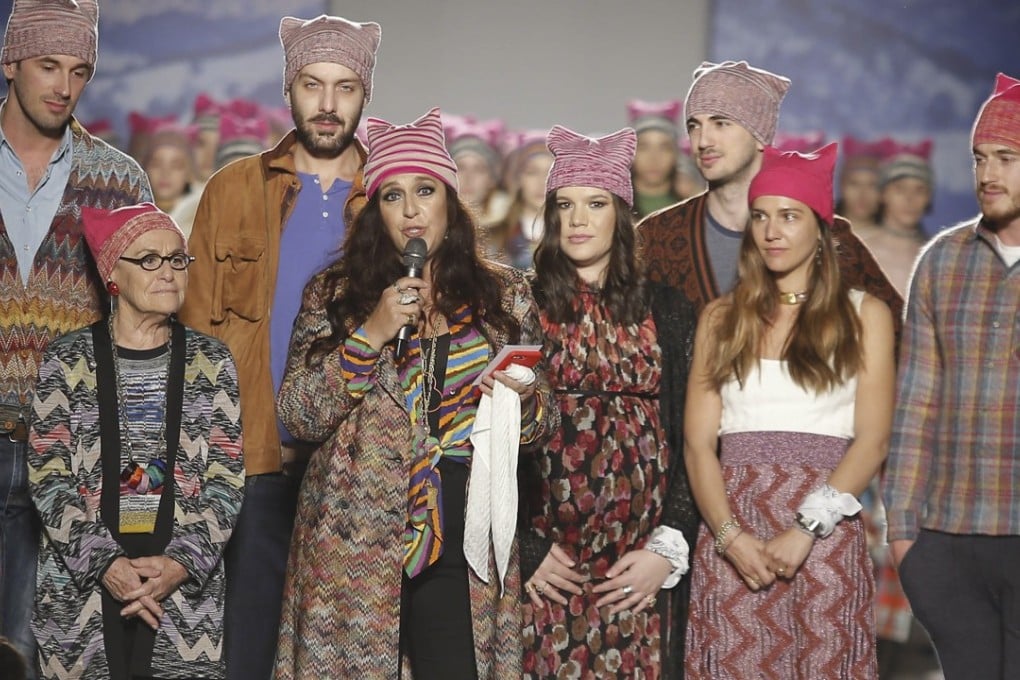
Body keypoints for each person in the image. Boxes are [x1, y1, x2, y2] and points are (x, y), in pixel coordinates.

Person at [273, 107, 555, 679]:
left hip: (464, 525)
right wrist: (371, 333)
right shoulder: (335, 295)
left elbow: (540, 429)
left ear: (450, 202)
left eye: (425, 191)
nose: (411, 210)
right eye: (392, 195)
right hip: (353, 532)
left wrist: (523, 399)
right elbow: (298, 416)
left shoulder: (503, 299)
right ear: (376, 210)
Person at [177, 13, 381, 680]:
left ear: (365, 95)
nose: (327, 105)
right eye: (313, 85)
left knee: (345, 654)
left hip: (356, 468)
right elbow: (199, 336)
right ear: (288, 89)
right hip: (252, 456)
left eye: (345, 87)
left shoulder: (388, 196)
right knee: (249, 645)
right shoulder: (233, 189)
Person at [684, 144, 895, 678]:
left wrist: (805, 529)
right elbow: (698, 445)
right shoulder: (721, 318)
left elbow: (872, 441)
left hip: (823, 534)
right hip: (734, 533)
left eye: (789, 216)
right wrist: (730, 537)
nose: (771, 231)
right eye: (760, 216)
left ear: (819, 228)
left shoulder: (864, 314)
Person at [28, 203, 244, 679]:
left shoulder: (212, 362)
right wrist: (105, 563)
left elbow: (225, 483)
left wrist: (179, 566)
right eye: (148, 259)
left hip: (183, 601)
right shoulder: (66, 361)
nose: (167, 272)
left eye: (176, 259)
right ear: (112, 276)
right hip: (79, 596)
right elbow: (48, 479)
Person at [0, 1, 152, 674]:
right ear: (10, 63)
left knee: (43, 654)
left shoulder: (118, 180)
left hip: (65, 463)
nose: (63, 85)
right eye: (47, 65)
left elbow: (147, 326)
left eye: (80, 70)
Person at [520, 125, 699, 678]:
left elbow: (694, 435)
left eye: (595, 204)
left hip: (636, 566)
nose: (577, 220)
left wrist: (666, 548)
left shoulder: (667, 309)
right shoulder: (518, 304)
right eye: (565, 205)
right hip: (550, 567)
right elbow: (486, 438)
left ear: (620, 215)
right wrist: (524, 548)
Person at [882, 72, 1020, 680]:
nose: (989, 173)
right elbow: (915, 404)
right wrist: (905, 537)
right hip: (947, 535)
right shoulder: (941, 258)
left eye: (1008, 157)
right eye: (980, 157)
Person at [636, 61, 902, 333]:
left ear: (760, 134)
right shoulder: (656, 237)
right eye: (694, 126)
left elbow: (899, 339)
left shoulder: (827, 237)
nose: (703, 141)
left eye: (721, 123)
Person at [861, 141, 934, 295]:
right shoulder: (858, 250)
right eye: (900, 189)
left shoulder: (937, 258)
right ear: (883, 194)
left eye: (919, 190)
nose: (910, 198)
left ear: (928, 197)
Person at [489, 129, 553, 268]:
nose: (542, 182)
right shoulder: (493, 237)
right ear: (518, 179)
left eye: (550, 173)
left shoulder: (573, 235)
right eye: (532, 172)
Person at [627, 99, 683, 218]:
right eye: (643, 147)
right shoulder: (613, 208)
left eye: (664, 148)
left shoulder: (695, 209)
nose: (654, 158)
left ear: (676, 155)